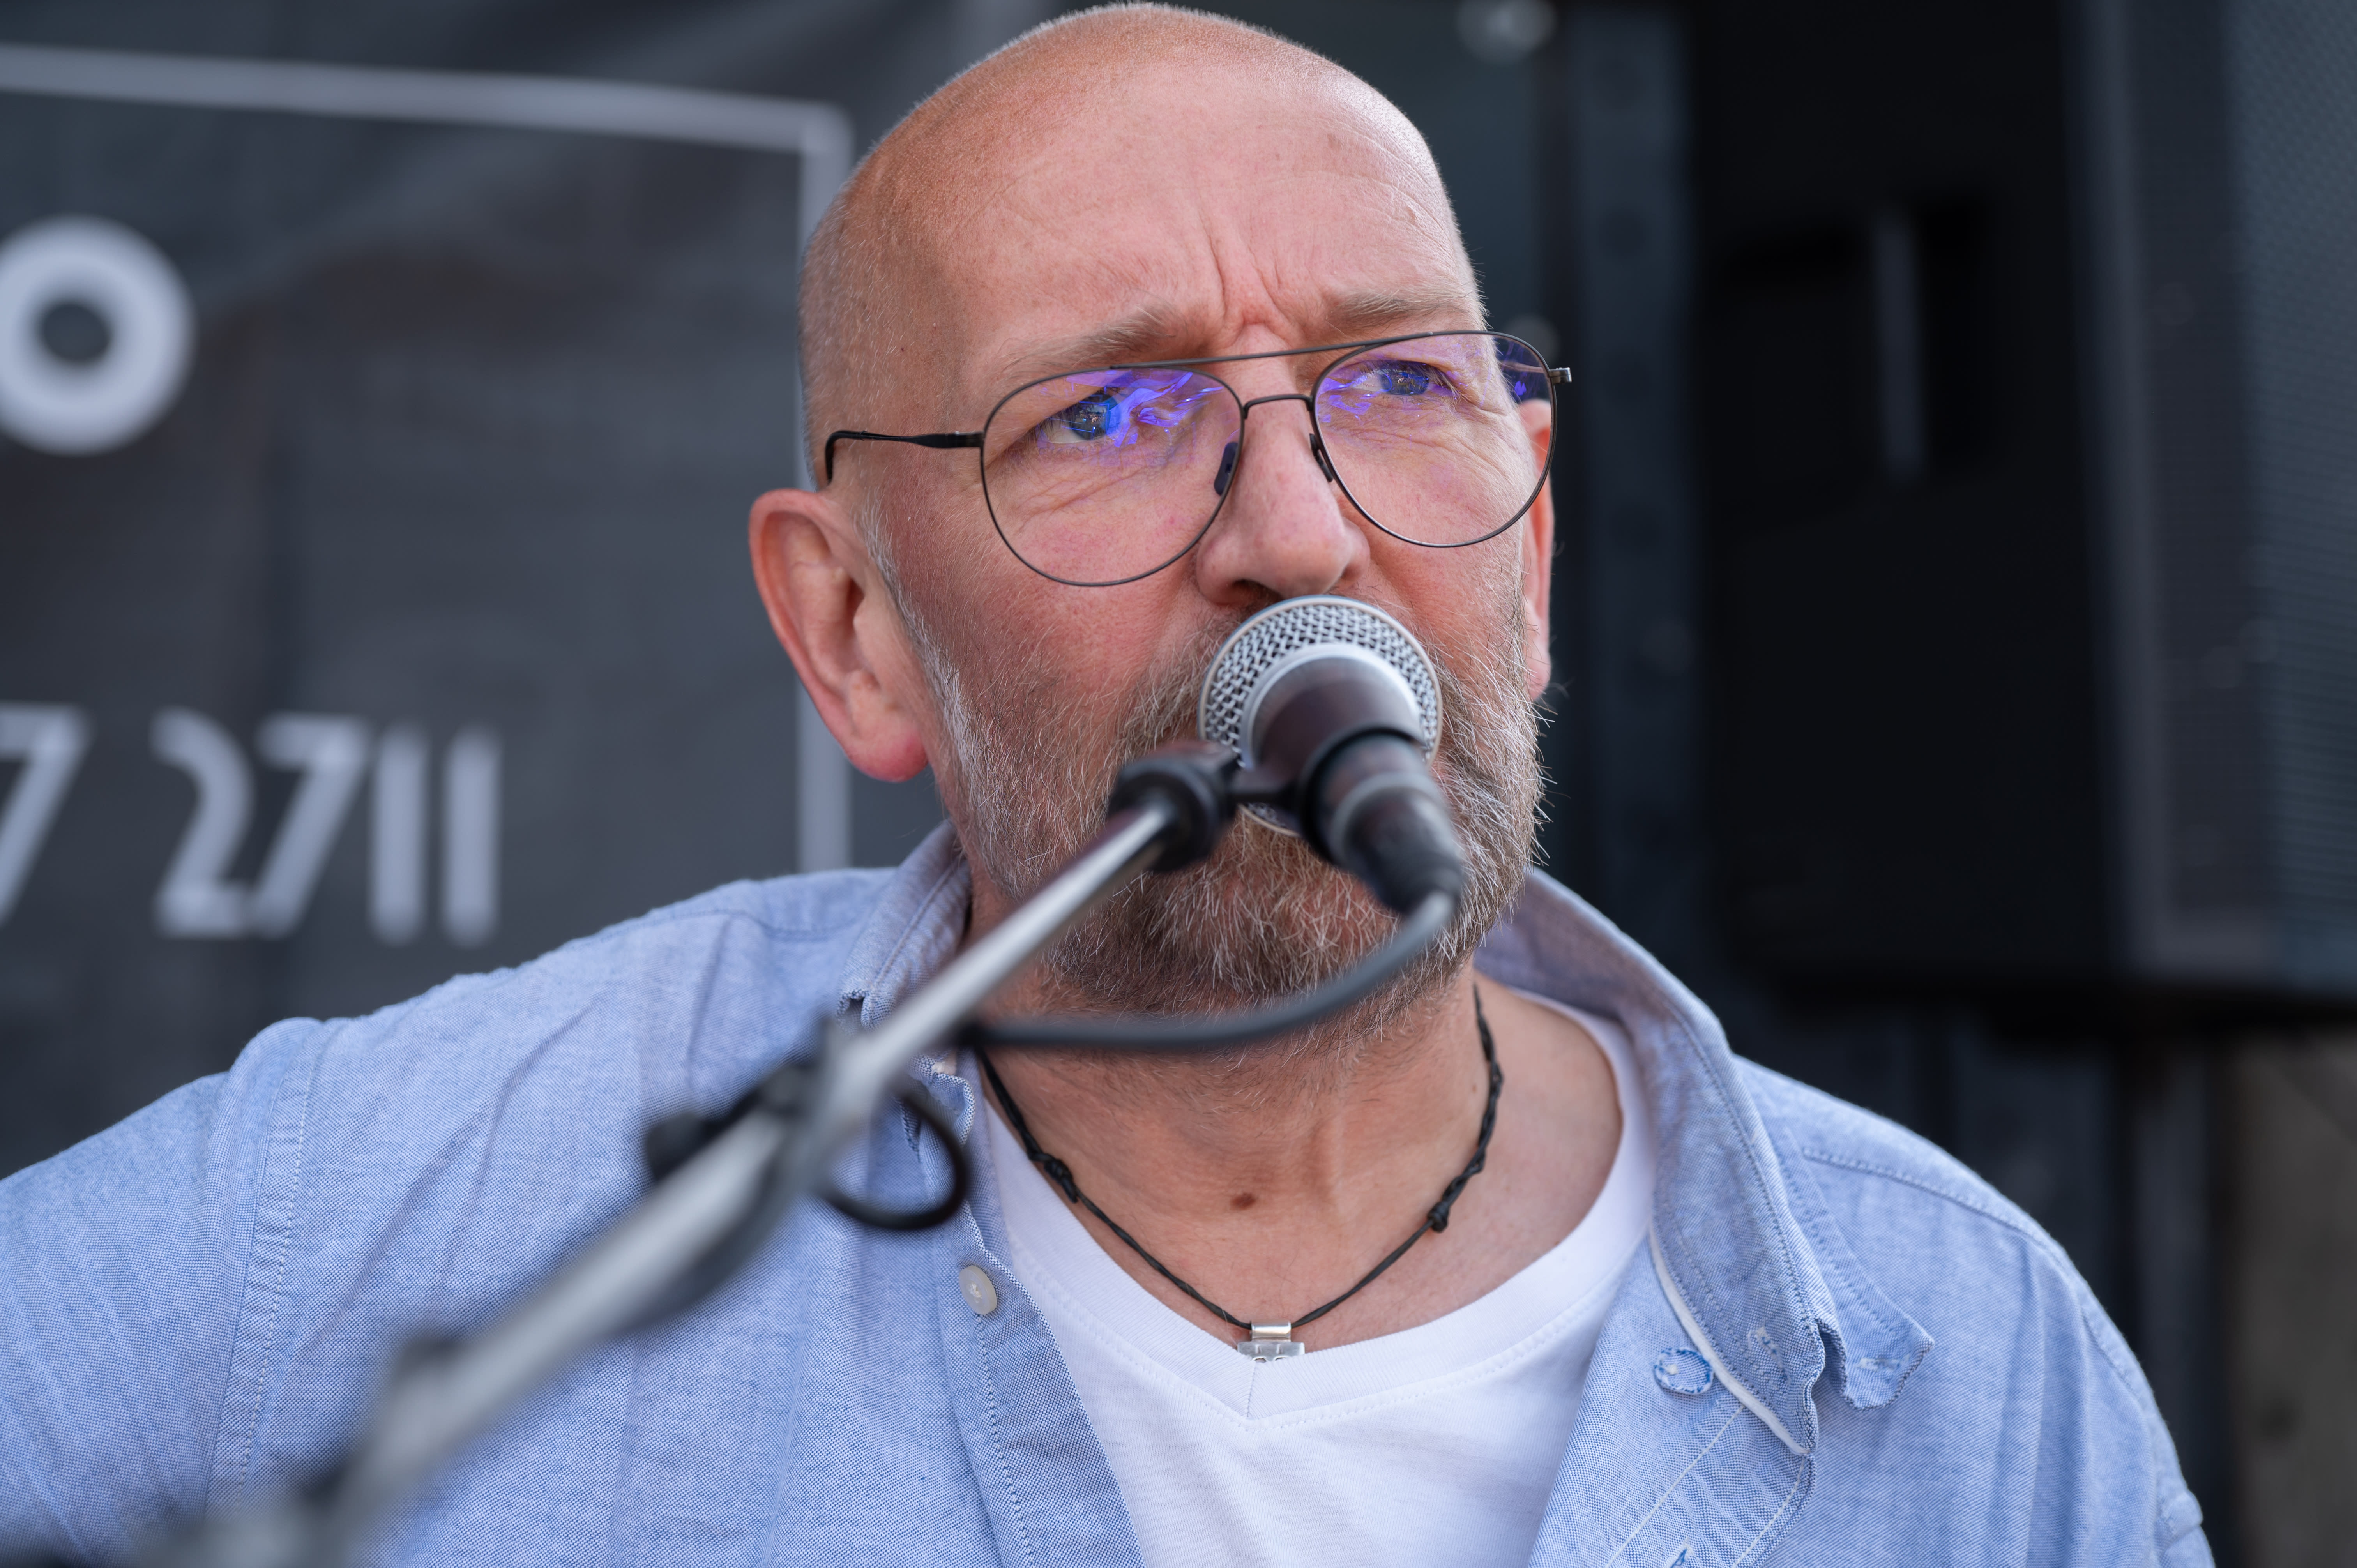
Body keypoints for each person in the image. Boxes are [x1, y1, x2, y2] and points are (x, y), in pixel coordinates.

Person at [0, 7, 2208, 1565]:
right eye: (1116, 419)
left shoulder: (1968, 1353)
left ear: (1531, 557)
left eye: (1398, 384)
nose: (1301, 534)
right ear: (854, 631)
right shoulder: (396, 1204)